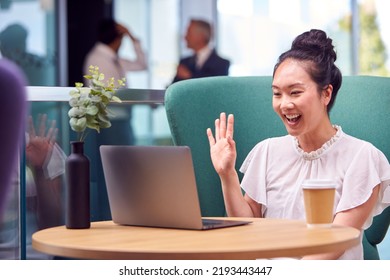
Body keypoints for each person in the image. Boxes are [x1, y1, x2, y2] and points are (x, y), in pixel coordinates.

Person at [206, 29, 390, 260]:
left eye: (295, 92)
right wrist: (227, 174)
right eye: (277, 94)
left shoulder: (362, 157)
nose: (285, 104)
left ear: (326, 94)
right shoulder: (267, 151)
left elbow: (332, 247)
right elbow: (247, 228)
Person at [171, 19, 230, 84]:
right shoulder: (184, 62)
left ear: (200, 36)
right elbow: (173, 88)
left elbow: (216, 87)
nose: (185, 37)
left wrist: (189, 76)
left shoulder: (221, 64)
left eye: (189, 33)